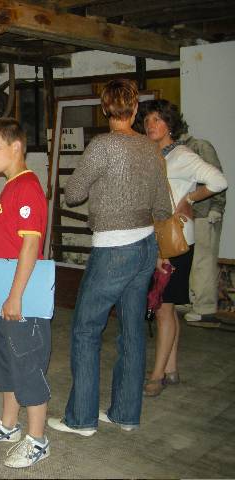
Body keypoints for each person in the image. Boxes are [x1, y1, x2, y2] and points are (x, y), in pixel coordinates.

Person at [47, 79, 170, 436]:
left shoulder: (102, 146)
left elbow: (72, 194)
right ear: (134, 110)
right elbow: (163, 205)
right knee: (132, 331)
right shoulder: (151, 149)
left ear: (105, 110)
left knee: (86, 330)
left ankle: (82, 418)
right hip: (145, 245)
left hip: (113, 248)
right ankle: (125, 413)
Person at [0, 118, 51, 468]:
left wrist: (16, 295)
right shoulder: (11, 186)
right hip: (3, 291)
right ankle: (8, 426)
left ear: (17, 147)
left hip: (22, 296)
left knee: (28, 364)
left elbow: (31, 245)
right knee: (6, 363)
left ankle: (38, 439)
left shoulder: (27, 188)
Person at [141, 100, 227, 396]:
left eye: (158, 120)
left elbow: (218, 180)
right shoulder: (151, 155)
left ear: (170, 124)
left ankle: (156, 376)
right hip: (155, 241)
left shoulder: (181, 155)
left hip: (175, 242)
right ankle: (172, 368)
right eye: (148, 120)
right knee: (168, 308)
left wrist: (189, 199)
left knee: (163, 309)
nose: (152, 125)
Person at [179, 134, 227, 324]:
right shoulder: (174, 149)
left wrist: (217, 207)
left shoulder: (200, 146)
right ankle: (192, 301)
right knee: (190, 261)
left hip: (205, 213)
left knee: (203, 262)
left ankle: (204, 307)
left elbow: (217, 177)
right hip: (187, 215)